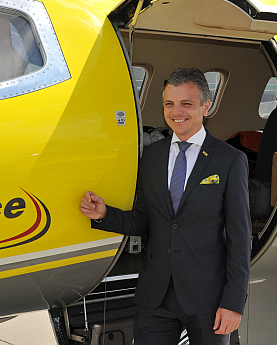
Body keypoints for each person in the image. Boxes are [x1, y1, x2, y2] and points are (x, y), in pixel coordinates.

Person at [80, 68, 251, 345]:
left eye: (187, 103)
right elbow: (146, 221)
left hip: (207, 298)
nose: (176, 112)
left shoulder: (229, 160)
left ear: (205, 106)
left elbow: (239, 239)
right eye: (169, 104)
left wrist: (233, 302)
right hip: (155, 297)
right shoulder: (151, 157)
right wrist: (104, 215)